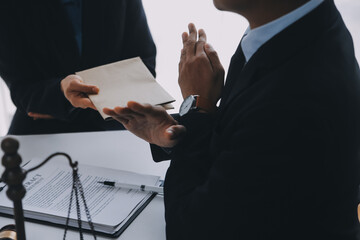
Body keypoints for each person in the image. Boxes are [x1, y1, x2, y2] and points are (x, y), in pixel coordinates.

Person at [104, 0, 360, 239]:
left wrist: (199, 107)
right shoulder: (299, 32)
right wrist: (180, 129)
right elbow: (245, 137)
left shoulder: (295, 95)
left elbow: (190, 229)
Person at [0, 0, 156, 135]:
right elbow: (22, 89)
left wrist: (51, 102)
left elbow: (143, 67)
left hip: (116, 123)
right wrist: (61, 91)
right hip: (44, 134)